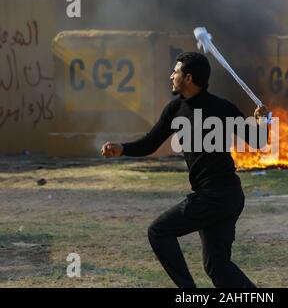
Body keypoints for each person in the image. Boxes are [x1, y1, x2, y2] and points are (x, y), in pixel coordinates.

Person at [101, 52, 267, 288]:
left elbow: (258, 141)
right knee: (217, 267)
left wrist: (263, 122)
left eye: (175, 72)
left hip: (219, 195)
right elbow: (150, 142)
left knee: (159, 231)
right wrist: (122, 148)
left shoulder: (222, 108)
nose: (171, 76)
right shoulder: (175, 109)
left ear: (188, 78)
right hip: (219, 196)